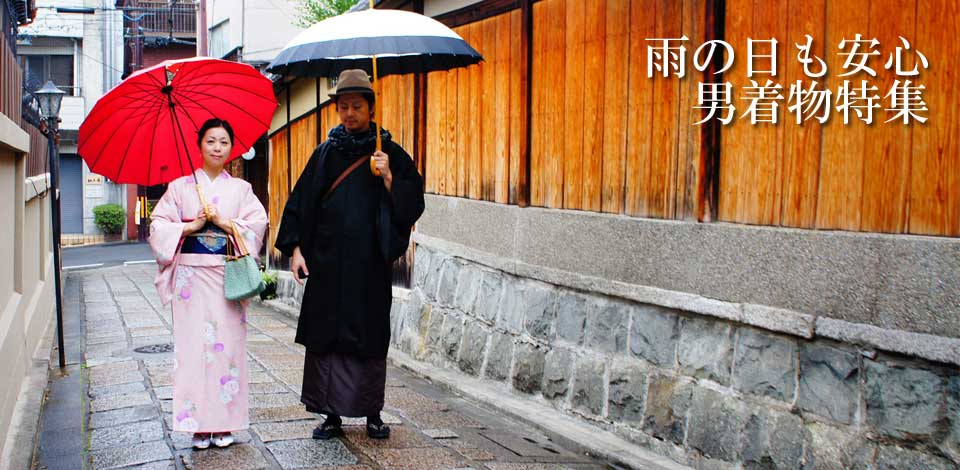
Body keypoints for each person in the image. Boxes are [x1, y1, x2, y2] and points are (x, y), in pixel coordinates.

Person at [275, 69, 425, 440]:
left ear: (371, 109)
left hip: (367, 265)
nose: (349, 114)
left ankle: (371, 412)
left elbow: (414, 200)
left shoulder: (388, 152)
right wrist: (296, 249)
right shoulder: (325, 153)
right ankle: (331, 415)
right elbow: (301, 201)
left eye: (357, 106)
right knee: (326, 337)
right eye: (343, 107)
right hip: (327, 263)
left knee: (369, 335)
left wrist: (389, 177)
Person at [149, 118, 268, 449]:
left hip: (225, 276)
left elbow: (258, 223)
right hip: (190, 278)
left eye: (224, 142)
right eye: (211, 141)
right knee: (193, 351)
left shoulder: (241, 190)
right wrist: (190, 227)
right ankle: (199, 424)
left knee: (228, 349)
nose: (217, 148)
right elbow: (158, 225)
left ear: (233, 148)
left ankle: (224, 423)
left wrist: (224, 222)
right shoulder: (180, 187)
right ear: (199, 145)